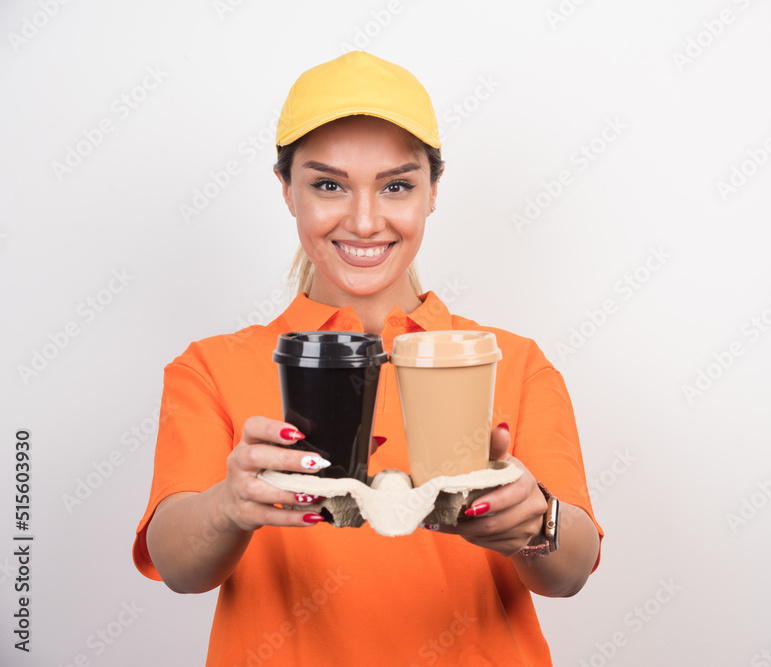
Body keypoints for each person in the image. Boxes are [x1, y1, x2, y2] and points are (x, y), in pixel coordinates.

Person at [133, 51, 603, 666]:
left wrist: (536, 522)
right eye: (328, 184)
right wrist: (230, 504)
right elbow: (178, 566)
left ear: (432, 191)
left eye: (397, 185)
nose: (363, 220)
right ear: (286, 190)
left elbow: (570, 572)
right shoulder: (210, 368)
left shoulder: (510, 362)